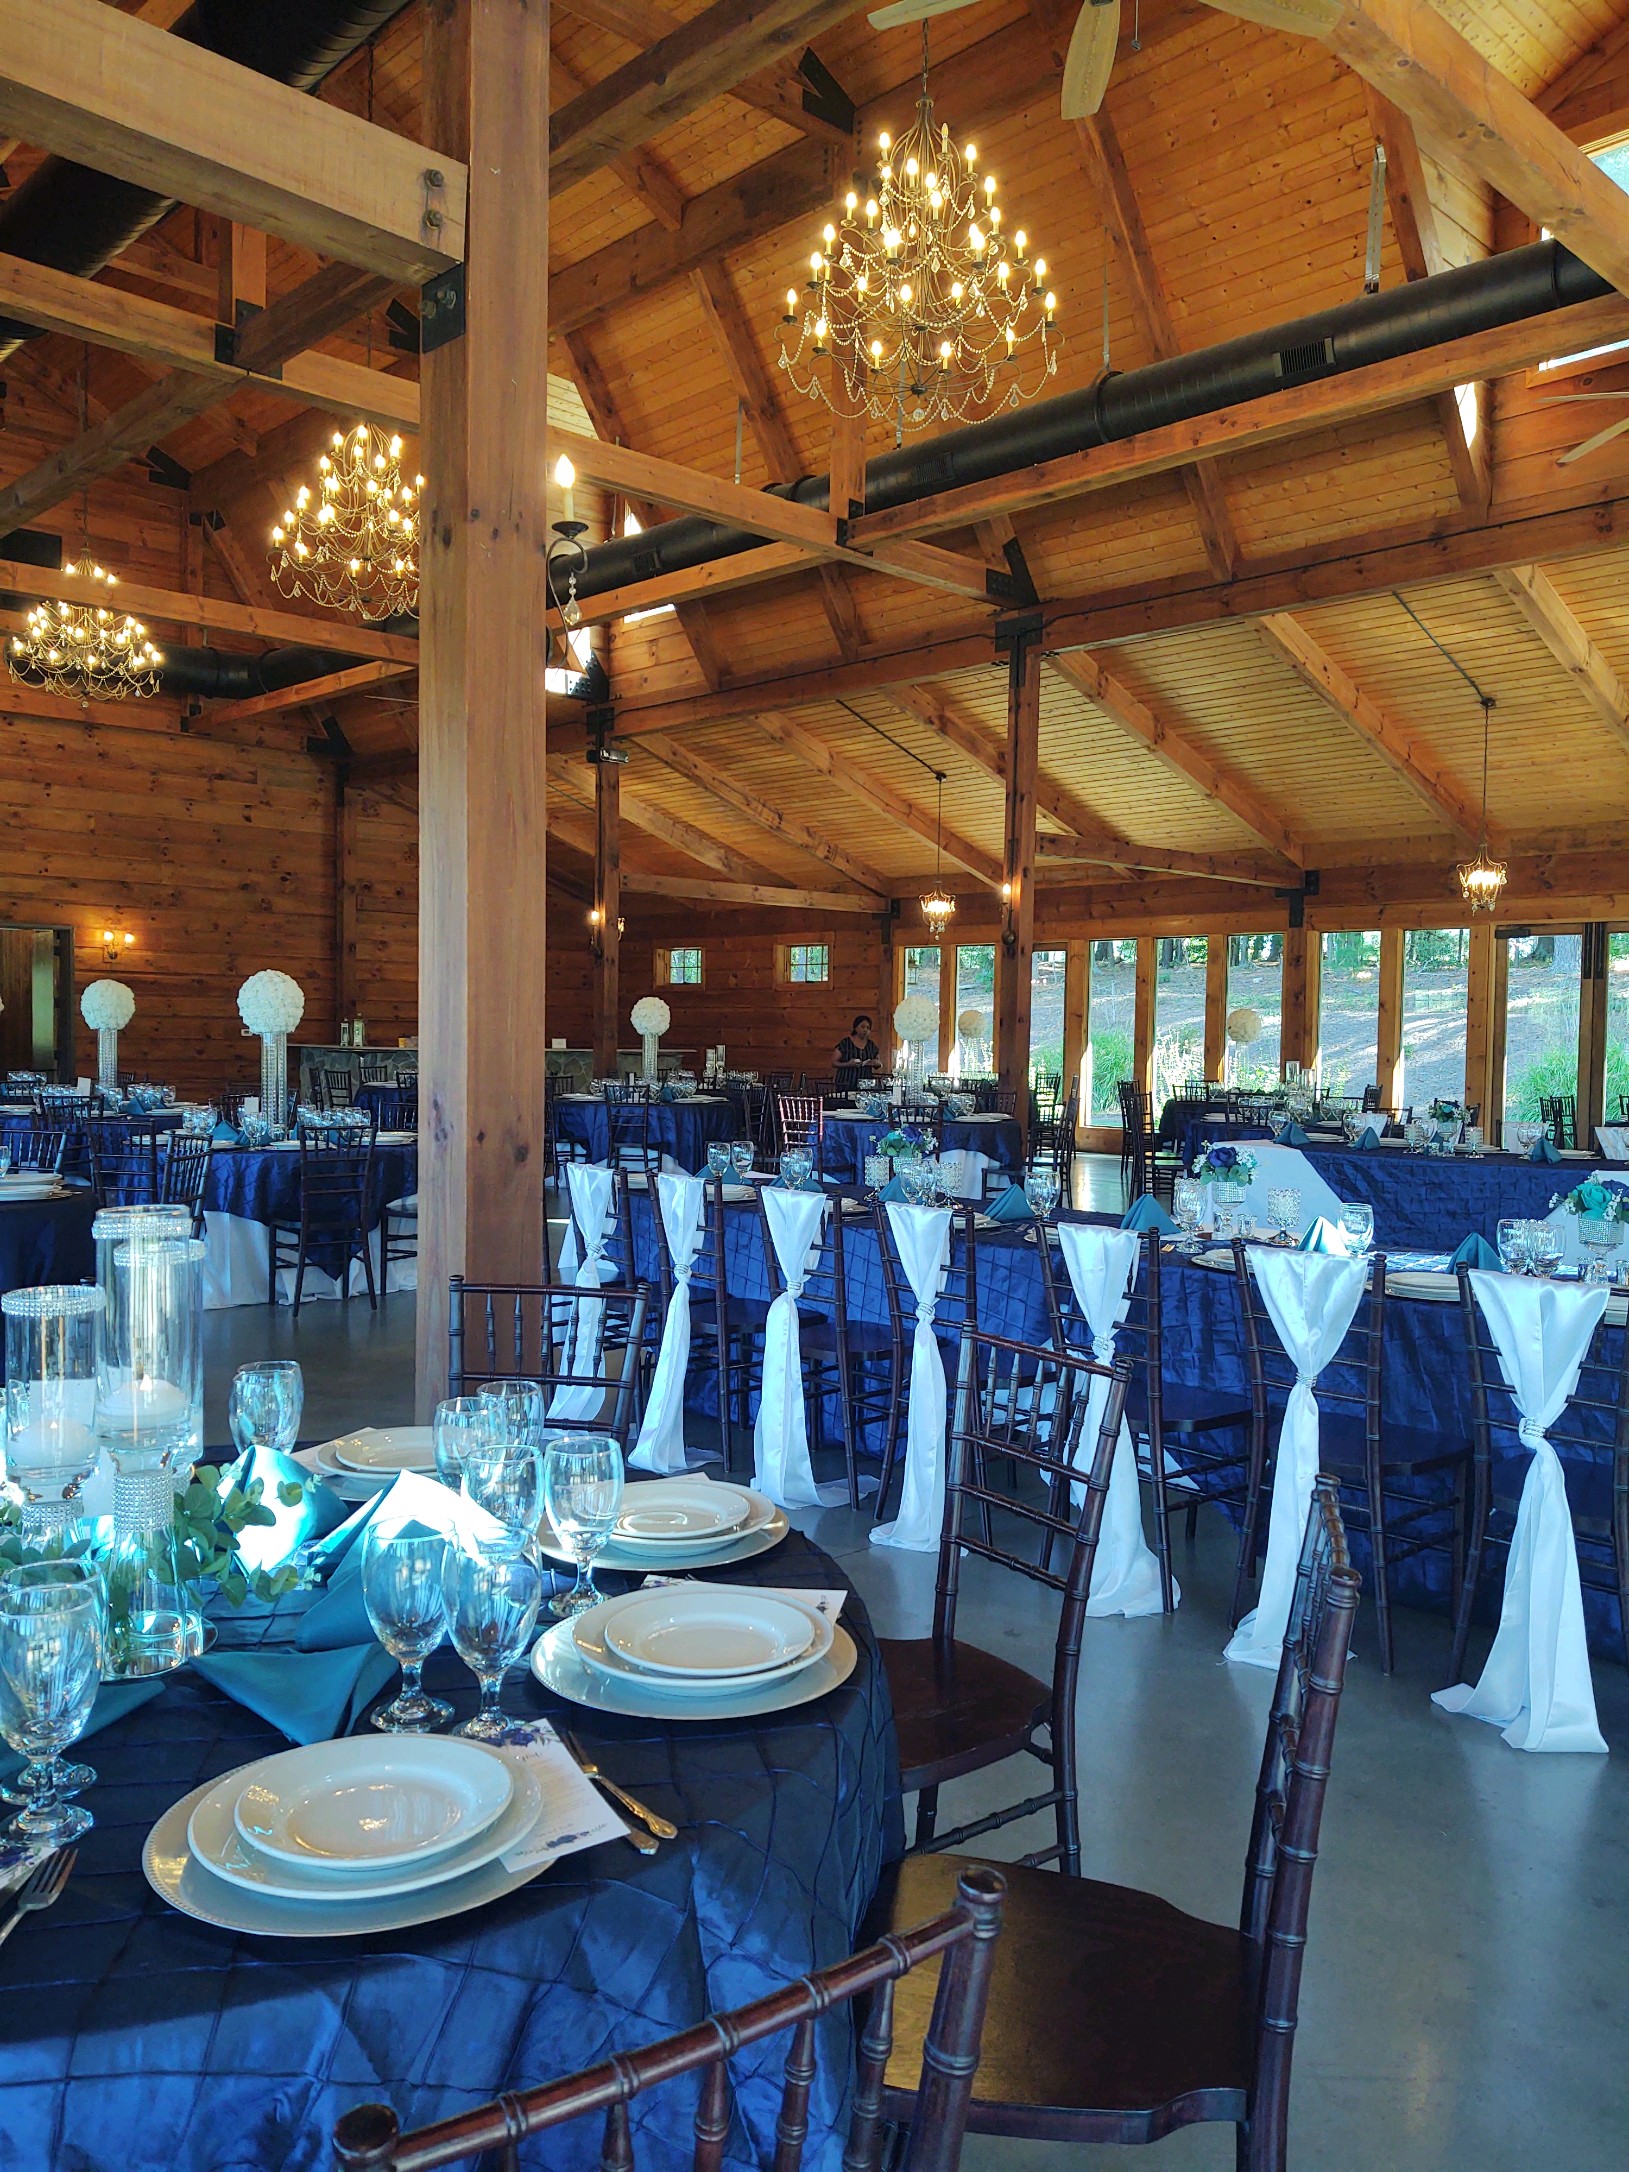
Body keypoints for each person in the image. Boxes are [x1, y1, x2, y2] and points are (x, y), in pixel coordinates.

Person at [833, 1014, 881, 1092]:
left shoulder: (871, 1045)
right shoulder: (845, 1043)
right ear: (855, 1027)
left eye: (868, 1028)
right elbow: (834, 1062)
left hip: (865, 1086)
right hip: (846, 1083)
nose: (865, 1030)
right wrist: (848, 1064)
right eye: (862, 1027)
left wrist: (874, 1063)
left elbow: (879, 1063)